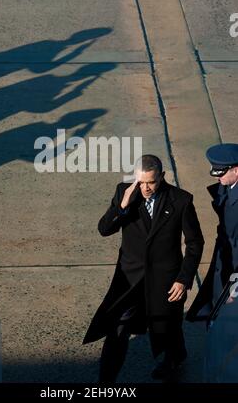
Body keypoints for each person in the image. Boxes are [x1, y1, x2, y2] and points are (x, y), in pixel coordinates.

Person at [83, 154, 204, 382]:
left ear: (162, 177)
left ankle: (174, 360)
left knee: (168, 328)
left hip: (166, 281)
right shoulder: (124, 192)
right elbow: (104, 229)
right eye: (141, 182)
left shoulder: (181, 201)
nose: (146, 188)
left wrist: (184, 278)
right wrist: (122, 206)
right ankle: (105, 382)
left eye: (151, 182)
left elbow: (195, 243)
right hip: (130, 280)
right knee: (117, 329)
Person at [186, 143, 238, 322]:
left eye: (221, 172)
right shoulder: (228, 186)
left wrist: (236, 289)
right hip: (224, 260)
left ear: (236, 170)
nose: (217, 177)